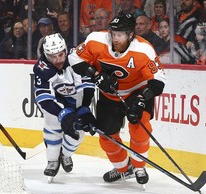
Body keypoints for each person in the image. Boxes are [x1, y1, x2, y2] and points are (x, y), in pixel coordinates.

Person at [68, 13, 167, 185]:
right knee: (106, 136)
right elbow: (74, 58)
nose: (115, 38)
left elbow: (159, 81)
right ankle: (123, 168)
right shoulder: (96, 40)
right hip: (109, 95)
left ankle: (139, 166)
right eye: (113, 33)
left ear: (130, 35)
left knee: (140, 126)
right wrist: (96, 75)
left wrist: (142, 98)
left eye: (120, 35)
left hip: (137, 91)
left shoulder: (144, 50)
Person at [33, 33, 96, 181]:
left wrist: (84, 108)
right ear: (46, 55)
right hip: (56, 103)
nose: (58, 60)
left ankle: (65, 155)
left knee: (78, 133)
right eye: (52, 56)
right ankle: (52, 159)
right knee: (52, 123)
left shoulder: (77, 59)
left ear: (66, 50)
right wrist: (61, 112)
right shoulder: (41, 67)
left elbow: (87, 86)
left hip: (76, 101)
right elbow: (43, 98)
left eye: (60, 55)